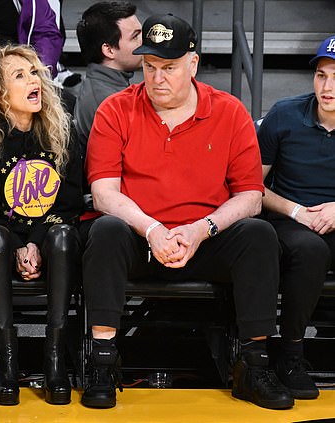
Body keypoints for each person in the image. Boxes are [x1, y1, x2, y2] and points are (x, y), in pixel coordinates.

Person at [80, 14, 294, 410]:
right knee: (105, 230)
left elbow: (249, 194)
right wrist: (153, 229)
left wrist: (201, 230)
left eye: (169, 67)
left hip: (204, 238)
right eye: (149, 67)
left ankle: (255, 364)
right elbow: (104, 193)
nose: (157, 77)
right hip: (141, 238)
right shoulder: (115, 110)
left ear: (193, 64)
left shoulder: (229, 112)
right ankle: (103, 362)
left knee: (259, 234)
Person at [0, 44, 83, 405]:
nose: (34, 82)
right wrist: (18, 245)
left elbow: (69, 205)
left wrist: (35, 243)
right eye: (20, 75)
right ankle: (6, 363)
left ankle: (54, 361)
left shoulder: (62, 134)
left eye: (36, 73)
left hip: (50, 237)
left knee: (61, 235)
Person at [256, 35, 335, 401]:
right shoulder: (285, 114)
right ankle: (289, 355)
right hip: (291, 220)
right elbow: (250, 186)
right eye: (321, 76)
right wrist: (297, 211)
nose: (328, 87)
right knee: (310, 249)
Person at [74, 1, 142, 153]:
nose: (144, 41)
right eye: (135, 36)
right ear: (109, 50)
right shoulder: (109, 101)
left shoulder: (105, 88)